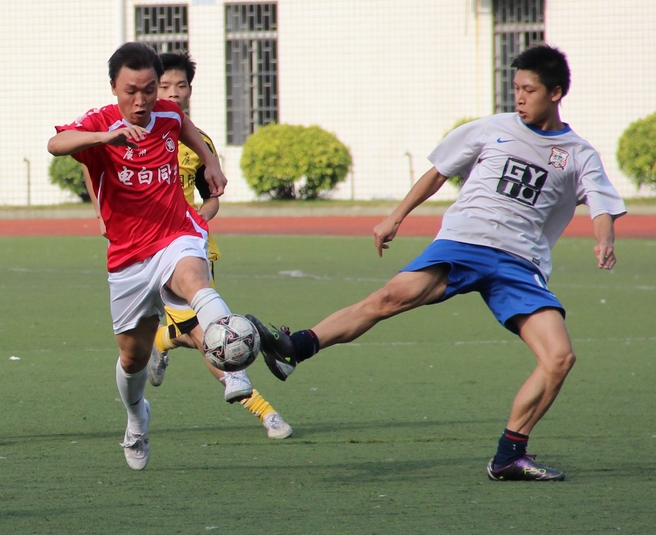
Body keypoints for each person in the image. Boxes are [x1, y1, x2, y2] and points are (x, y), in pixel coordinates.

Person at [246, 44, 626, 481]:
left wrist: (604, 240)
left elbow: (601, 203)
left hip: (520, 262)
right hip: (465, 241)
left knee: (559, 357)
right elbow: (439, 171)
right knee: (391, 297)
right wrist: (395, 216)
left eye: (529, 90)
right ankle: (296, 347)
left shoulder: (578, 152)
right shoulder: (492, 128)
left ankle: (509, 456)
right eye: (516, 88)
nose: (519, 98)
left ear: (556, 93)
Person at [48, 42, 236, 471]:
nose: (142, 100)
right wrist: (103, 138)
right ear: (114, 87)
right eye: (131, 90)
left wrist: (210, 161)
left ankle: (233, 362)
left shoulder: (166, 113)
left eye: (149, 89)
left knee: (194, 278)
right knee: (133, 359)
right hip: (128, 256)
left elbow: (183, 124)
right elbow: (56, 143)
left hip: (173, 234)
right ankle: (136, 418)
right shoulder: (100, 122)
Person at [148, 51, 291, 439]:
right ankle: (263, 409)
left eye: (180, 86)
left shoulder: (198, 142)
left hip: (192, 249)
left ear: (190, 91)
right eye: (164, 86)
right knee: (207, 336)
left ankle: (162, 341)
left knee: (203, 333)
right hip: (149, 251)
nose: (173, 93)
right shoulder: (136, 136)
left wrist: (199, 218)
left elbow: (212, 197)